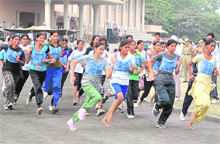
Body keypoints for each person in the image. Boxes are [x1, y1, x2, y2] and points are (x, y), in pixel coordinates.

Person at [67, 42, 113, 131]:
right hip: (86, 82)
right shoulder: (88, 57)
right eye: (100, 49)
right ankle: (83, 111)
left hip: (95, 85)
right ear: (95, 48)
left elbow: (108, 75)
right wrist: (72, 75)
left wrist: (112, 66)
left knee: (85, 105)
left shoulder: (104, 61)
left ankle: (72, 121)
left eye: (103, 49)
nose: (102, 51)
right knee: (98, 97)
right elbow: (75, 62)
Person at [148, 39, 182, 128]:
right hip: (160, 80)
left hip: (170, 81)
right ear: (167, 46)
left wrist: (178, 65)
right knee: (165, 100)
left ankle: (161, 122)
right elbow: (150, 62)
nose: (173, 48)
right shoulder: (162, 55)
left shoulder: (177, 57)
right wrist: (151, 73)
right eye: (172, 46)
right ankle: (157, 105)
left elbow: (177, 72)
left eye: (175, 46)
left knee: (170, 104)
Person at [102, 40, 135, 128]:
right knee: (120, 97)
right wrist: (111, 66)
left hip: (125, 80)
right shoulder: (114, 56)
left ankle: (105, 118)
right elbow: (107, 66)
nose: (127, 49)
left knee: (119, 100)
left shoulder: (131, 57)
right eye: (125, 47)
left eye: (128, 47)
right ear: (121, 47)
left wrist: (132, 69)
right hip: (115, 78)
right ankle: (111, 114)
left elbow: (131, 72)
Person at [187, 39, 218, 130]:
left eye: (214, 46)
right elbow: (189, 64)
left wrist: (215, 73)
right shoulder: (200, 56)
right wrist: (191, 74)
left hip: (208, 83)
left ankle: (191, 120)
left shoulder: (214, 59)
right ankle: (192, 119)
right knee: (202, 103)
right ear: (206, 46)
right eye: (211, 45)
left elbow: (214, 71)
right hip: (199, 82)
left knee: (206, 104)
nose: (213, 48)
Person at [25, 33, 51, 115]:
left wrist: (46, 60)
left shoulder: (46, 48)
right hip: (33, 70)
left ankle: (30, 95)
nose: (42, 40)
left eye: (43, 38)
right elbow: (26, 61)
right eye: (41, 38)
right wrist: (28, 53)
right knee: (38, 86)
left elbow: (50, 58)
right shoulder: (31, 48)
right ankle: (39, 106)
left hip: (43, 71)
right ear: (36, 38)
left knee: (37, 85)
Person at [0, 35, 25, 110]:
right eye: (15, 39)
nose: (17, 40)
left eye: (18, 39)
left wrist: (18, 60)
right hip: (7, 69)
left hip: (16, 71)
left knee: (12, 86)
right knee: (11, 83)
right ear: (12, 40)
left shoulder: (21, 51)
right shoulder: (7, 47)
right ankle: (8, 102)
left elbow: (23, 63)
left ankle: (7, 97)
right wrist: (2, 65)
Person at [42, 31, 62, 114]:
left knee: (57, 86)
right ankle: (45, 88)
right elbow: (43, 59)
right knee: (49, 88)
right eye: (54, 36)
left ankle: (53, 105)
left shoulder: (60, 46)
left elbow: (59, 58)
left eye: (57, 36)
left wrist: (64, 65)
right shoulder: (46, 46)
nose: (56, 38)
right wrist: (50, 61)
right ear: (50, 37)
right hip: (49, 68)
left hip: (58, 68)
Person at [137, 41, 161, 107]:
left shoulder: (161, 55)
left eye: (159, 45)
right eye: (157, 45)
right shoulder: (149, 54)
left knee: (158, 90)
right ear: (153, 46)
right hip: (149, 75)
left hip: (157, 75)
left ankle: (156, 105)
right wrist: (153, 61)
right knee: (146, 92)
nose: (158, 47)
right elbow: (147, 65)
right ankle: (141, 99)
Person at [126, 40, 144, 118]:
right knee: (129, 94)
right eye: (131, 45)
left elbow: (143, 64)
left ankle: (131, 101)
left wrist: (140, 70)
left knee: (135, 94)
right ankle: (130, 112)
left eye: (134, 45)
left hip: (136, 77)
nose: (133, 46)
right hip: (128, 77)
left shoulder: (138, 55)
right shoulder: (127, 55)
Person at [14, 35, 31, 105]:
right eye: (24, 39)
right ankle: (14, 95)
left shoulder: (30, 47)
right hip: (19, 67)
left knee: (21, 83)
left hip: (27, 68)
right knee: (16, 82)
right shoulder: (19, 47)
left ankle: (16, 95)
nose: (25, 40)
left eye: (26, 39)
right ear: (21, 40)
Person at [68, 40, 86, 105]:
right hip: (76, 70)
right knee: (75, 84)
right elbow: (69, 59)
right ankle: (74, 100)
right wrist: (68, 67)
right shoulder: (74, 52)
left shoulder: (85, 52)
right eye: (79, 44)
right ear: (77, 45)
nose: (81, 46)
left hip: (84, 71)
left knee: (83, 86)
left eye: (82, 44)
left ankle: (79, 93)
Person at [207, 33, 219, 103]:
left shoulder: (214, 46)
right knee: (209, 81)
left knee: (213, 81)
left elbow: (209, 53)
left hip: (214, 66)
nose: (209, 40)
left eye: (210, 38)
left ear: (213, 39)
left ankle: (215, 97)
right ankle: (211, 96)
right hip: (210, 65)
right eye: (208, 38)